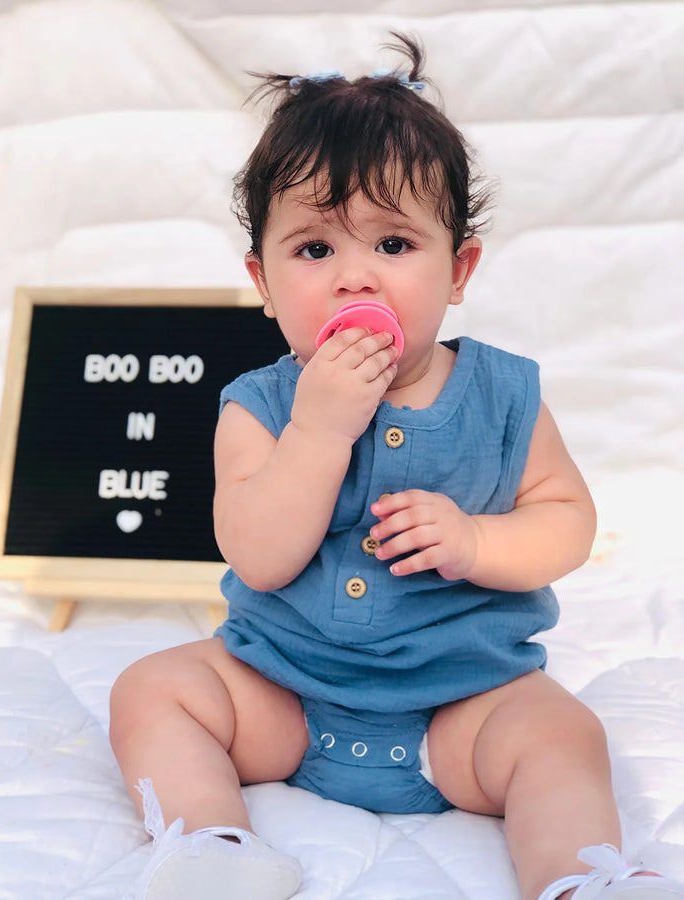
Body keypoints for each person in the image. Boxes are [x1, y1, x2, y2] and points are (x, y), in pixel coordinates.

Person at [110, 33, 684, 900]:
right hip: (284, 702)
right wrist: (319, 431)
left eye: (392, 245)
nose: (355, 280)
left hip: (464, 709)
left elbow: (566, 519)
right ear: (262, 283)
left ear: (458, 270)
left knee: (564, 733)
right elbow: (259, 556)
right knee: (151, 689)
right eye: (314, 250)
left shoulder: (503, 395)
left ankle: (577, 877)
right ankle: (211, 844)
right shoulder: (257, 407)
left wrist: (479, 541)